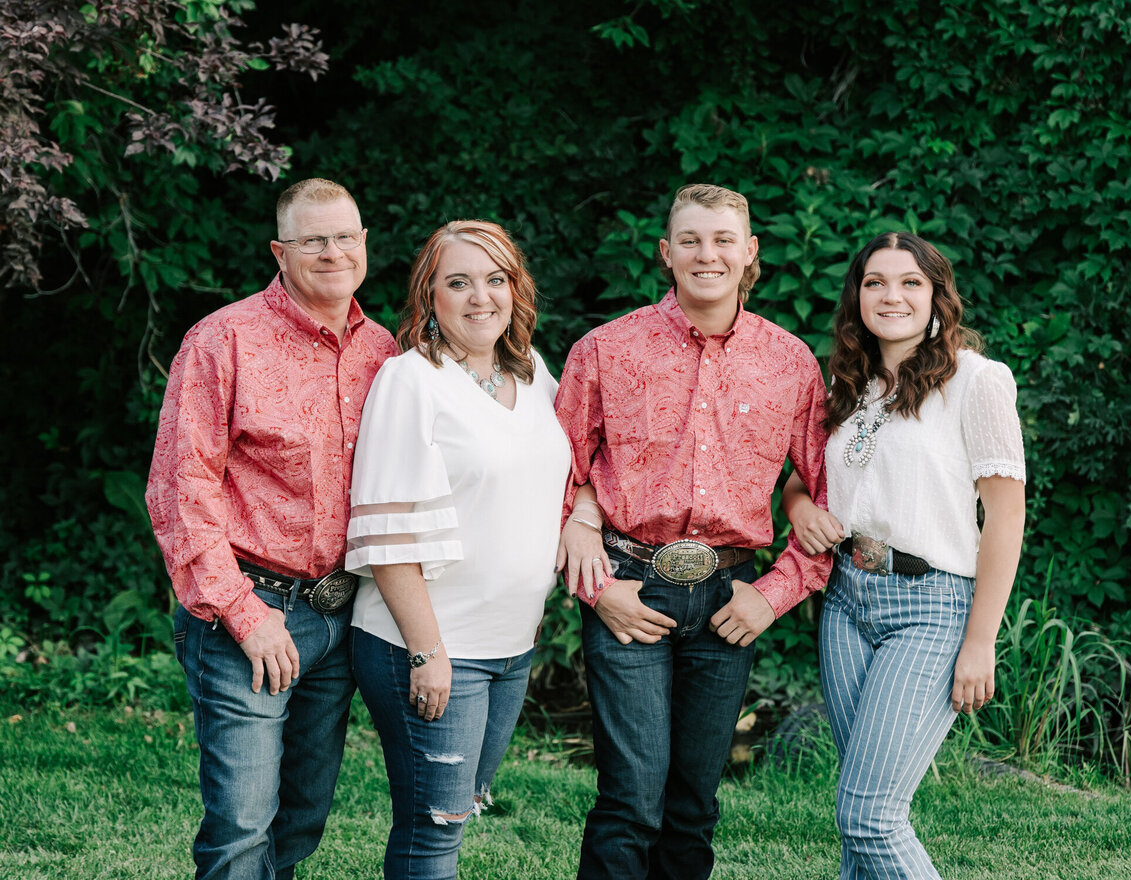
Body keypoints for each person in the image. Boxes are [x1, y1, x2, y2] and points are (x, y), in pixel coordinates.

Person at [555, 183, 832, 880]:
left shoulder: (791, 362)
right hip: (628, 587)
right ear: (665, 254)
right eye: (690, 241)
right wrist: (593, 585)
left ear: (751, 254)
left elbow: (827, 491)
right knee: (630, 800)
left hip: (729, 596)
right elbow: (554, 473)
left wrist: (775, 593)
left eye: (722, 240)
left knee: (693, 804)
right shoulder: (604, 351)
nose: (707, 254)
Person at [146, 178, 397, 878]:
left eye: (345, 236)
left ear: (365, 244)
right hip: (246, 612)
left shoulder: (386, 353)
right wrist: (242, 613)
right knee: (242, 824)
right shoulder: (224, 340)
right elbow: (179, 486)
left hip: (341, 616)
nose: (332, 251)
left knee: (302, 816)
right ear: (279, 251)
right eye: (312, 239)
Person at [783, 231, 1026, 879]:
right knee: (858, 808)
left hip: (931, 606)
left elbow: (1006, 515)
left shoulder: (977, 380)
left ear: (937, 295)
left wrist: (980, 641)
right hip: (846, 604)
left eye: (910, 282)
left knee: (870, 816)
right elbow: (804, 479)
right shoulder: (847, 381)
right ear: (857, 296)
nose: (891, 295)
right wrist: (801, 509)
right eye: (875, 282)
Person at [346, 220, 571, 880]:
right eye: (459, 282)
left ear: (515, 289)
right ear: (430, 295)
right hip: (431, 645)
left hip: (510, 647)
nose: (481, 297)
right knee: (432, 833)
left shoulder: (532, 376)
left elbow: (570, 480)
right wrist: (428, 651)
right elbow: (384, 535)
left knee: (459, 810)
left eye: (495, 280)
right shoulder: (409, 380)